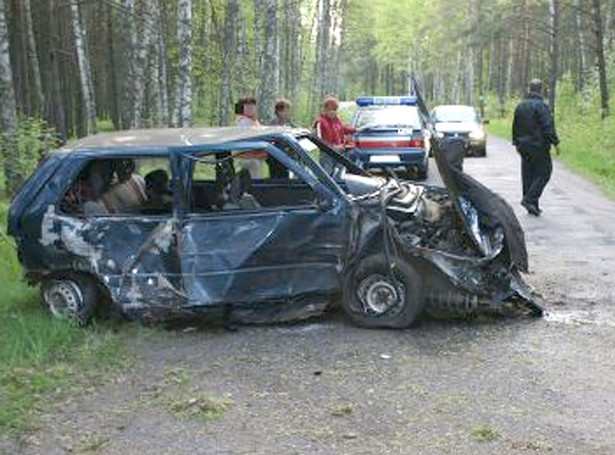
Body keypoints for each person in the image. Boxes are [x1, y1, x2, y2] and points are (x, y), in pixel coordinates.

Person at [512, 79, 560, 216]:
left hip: (523, 146)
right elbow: (547, 126)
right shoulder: (541, 106)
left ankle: (532, 205)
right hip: (538, 146)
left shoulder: (520, 106)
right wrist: (555, 142)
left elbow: (515, 126)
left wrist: (516, 143)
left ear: (529, 89)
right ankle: (529, 199)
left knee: (528, 174)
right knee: (545, 172)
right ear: (541, 90)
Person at [235, 97, 266, 178]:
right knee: (254, 181)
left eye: (252, 106)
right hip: (248, 157)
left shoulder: (252, 121)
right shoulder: (243, 122)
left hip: (254, 155)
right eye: (248, 107)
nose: (251, 109)